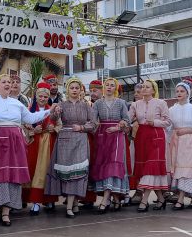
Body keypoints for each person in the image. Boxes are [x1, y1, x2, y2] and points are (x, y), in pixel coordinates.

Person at [0, 74, 51, 226]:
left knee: (11, 174)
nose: (8, 84)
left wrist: (49, 112)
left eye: (10, 82)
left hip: (14, 142)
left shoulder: (17, 103)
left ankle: (6, 212)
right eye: (4, 82)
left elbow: (31, 118)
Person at [45, 77, 96, 218]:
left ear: (80, 90)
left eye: (77, 88)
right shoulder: (62, 104)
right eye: (72, 88)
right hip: (64, 140)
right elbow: (53, 120)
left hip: (80, 139)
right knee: (67, 173)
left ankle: (71, 205)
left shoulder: (86, 106)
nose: (74, 90)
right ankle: (72, 204)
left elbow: (93, 124)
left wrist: (82, 127)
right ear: (68, 90)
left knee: (78, 171)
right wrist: (55, 112)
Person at [130, 79, 171, 211]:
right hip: (141, 137)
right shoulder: (135, 105)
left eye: (148, 87)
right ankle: (161, 199)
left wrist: (155, 122)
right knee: (146, 170)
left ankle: (144, 201)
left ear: (153, 90)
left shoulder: (161, 103)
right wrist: (122, 124)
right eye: (143, 87)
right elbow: (127, 119)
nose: (144, 89)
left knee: (151, 168)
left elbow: (168, 121)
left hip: (157, 136)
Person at [90, 78, 130, 213]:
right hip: (102, 136)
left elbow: (126, 119)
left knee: (114, 165)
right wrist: (93, 127)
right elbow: (93, 121)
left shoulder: (121, 103)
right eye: (107, 85)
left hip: (117, 136)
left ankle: (105, 199)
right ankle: (116, 199)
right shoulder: (97, 104)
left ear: (116, 88)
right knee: (104, 165)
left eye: (112, 85)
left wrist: (118, 127)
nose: (109, 87)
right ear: (103, 87)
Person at [23, 82, 60, 215]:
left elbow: (60, 125)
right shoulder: (29, 110)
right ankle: (32, 200)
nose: (43, 99)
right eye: (41, 96)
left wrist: (54, 129)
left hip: (48, 144)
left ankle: (45, 199)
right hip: (33, 143)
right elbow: (23, 126)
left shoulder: (53, 110)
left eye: (45, 96)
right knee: (33, 170)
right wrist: (33, 130)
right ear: (36, 97)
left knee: (45, 171)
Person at [168, 82, 192, 209]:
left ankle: (180, 199)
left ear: (187, 93)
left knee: (187, 170)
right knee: (179, 170)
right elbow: (168, 127)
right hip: (176, 143)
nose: (179, 93)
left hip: (190, 142)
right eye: (177, 91)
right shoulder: (171, 110)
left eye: (182, 91)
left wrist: (189, 130)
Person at [80, 80, 103, 208]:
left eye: (95, 91)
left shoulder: (100, 104)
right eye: (91, 91)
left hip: (101, 138)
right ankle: (87, 197)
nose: (92, 93)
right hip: (90, 138)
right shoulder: (88, 105)